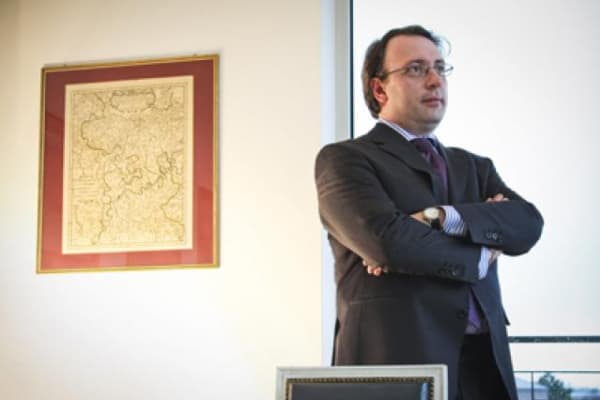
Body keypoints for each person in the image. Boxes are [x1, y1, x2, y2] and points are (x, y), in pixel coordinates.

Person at [314, 25, 544, 400]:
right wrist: (480, 253)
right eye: (416, 69)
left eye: (440, 68)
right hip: (396, 367)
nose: (435, 80)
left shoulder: (474, 167)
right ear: (379, 89)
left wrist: (440, 217)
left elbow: (527, 225)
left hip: (484, 368)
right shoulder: (345, 160)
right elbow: (387, 243)